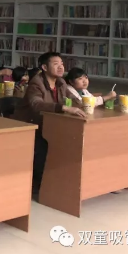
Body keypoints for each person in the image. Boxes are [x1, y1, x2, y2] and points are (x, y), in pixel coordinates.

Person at [13, 52, 86, 196]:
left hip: (51, 124)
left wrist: (85, 104)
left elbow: (74, 100)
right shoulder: (36, 82)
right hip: (30, 125)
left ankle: (64, 181)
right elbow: (36, 104)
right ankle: (39, 184)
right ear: (45, 67)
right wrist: (63, 107)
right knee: (46, 145)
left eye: (62, 64)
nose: (61, 67)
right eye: (56, 64)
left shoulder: (61, 82)